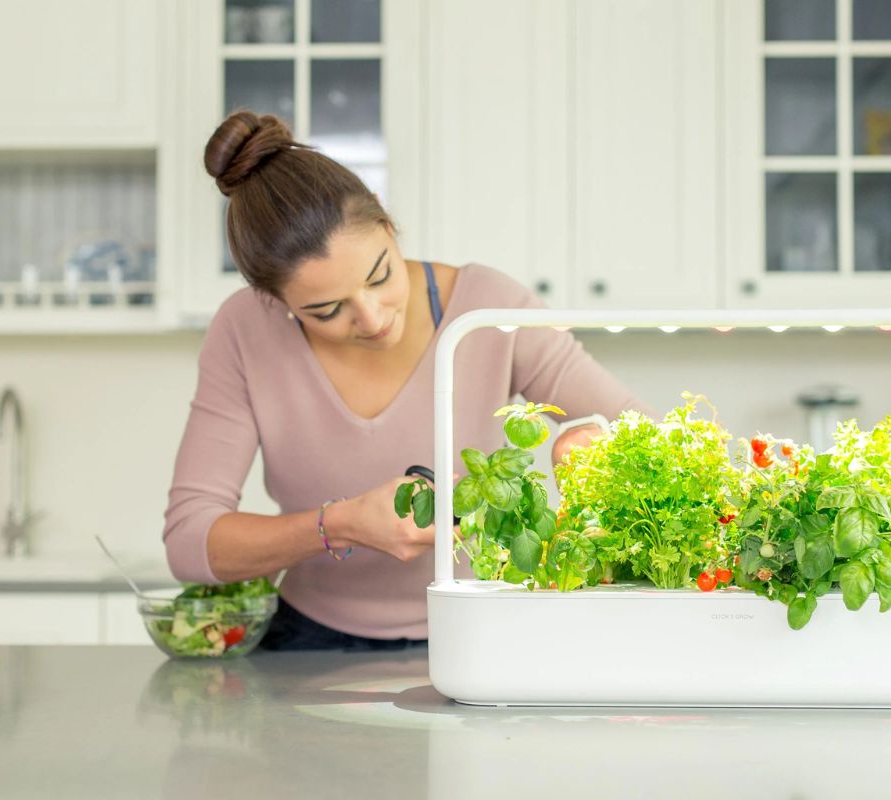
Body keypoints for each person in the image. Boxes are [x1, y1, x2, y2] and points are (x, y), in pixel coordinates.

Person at [162, 111, 649, 651]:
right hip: (307, 642)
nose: (372, 319)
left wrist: (589, 446)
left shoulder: (490, 308)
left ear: (391, 231)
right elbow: (190, 542)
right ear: (275, 302)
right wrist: (340, 523)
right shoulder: (244, 329)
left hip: (481, 630)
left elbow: (642, 435)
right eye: (326, 310)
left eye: (381, 276)